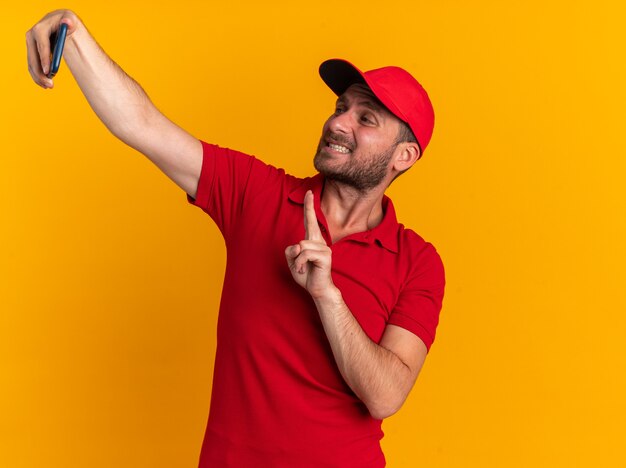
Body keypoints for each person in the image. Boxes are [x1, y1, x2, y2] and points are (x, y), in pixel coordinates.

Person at [26, 10, 445, 467]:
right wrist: (77, 36)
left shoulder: (417, 262)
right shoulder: (256, 193)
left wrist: (327, 295)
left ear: (403, 156)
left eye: (366, 119)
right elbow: (142, 125)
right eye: (340, 107)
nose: (339, 123)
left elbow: (385, 396)